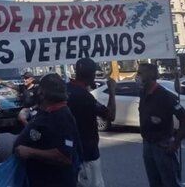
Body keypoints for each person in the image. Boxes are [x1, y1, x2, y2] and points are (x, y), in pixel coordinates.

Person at [14, 73, 80, 187]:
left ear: (43, 93)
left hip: (55, 181)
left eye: (39, 89)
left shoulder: (61, 116)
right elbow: (39, 134)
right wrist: (25, 119)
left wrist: (30, 152)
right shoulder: (46, 111)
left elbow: (64, 156)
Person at [67, 58, 116, 187]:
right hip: (87, 154)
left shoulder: (66, 90)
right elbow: (110, 116)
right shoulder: (85, 97)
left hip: (70, 151)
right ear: (91, 75)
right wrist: (112, 92)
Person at [138, 63, 185, 187]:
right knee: (154, 183)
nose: (137, 76)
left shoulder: (165, 95)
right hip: (147, 145)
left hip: (163, 145)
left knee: (170, 183)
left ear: (150, 75)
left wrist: (175, 143)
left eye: (140, 73)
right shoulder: (143, 93)